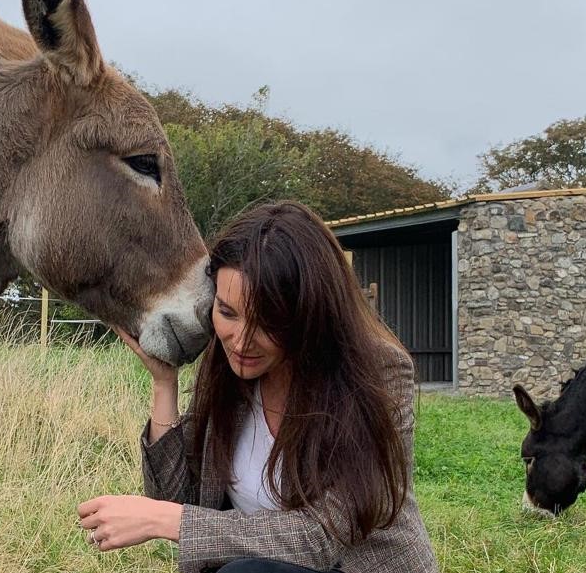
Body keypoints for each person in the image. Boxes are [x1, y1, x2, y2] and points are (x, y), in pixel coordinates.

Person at [78, 201, 438, 573]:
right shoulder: (230, 369)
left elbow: (326, 535)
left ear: (311, 312)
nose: (240, 341)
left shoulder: (378, 370)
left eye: (267, 322)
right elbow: (177, 498)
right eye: (227, 312)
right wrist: (164, 383)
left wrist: (169, 520)